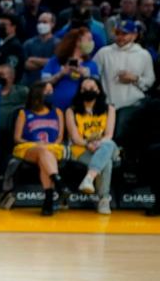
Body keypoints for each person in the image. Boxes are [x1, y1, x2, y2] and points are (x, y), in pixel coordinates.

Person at [12, 81, 71, 216]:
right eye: (48, 92)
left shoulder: (57, 112)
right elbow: (17, 138)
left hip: (52, 147)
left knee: (45, 155)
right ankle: (58, 185)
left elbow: (60, 136)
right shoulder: (24, 113)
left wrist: (48, 145)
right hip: (30, 147)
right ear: (38, 94)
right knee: (43, 152)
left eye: (52, 92)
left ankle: (49, 198)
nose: (51, 94)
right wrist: (36, 144)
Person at [93, 20, 154, 145]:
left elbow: (150, 81)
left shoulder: (143, 54)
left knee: (122, 135)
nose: (120, 37)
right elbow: (93, 76)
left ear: (134, 35)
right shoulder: (104, 52)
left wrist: (135, 78)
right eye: (117, 33)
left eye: (124, 34)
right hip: (108, 104)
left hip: (132, 104)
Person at [66, 77, 116, 215]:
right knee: (107, 162)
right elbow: (75, 138)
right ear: (80, 91)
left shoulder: (109, 109)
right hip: (81, 149)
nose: (89, 90)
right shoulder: (71, 111)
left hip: (103, 145)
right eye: (85, 88)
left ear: (99, 90)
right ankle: (104, 200)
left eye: (92, 87)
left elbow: (109, 134)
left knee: (108, 144)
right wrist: (88, 144)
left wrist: (99, 144)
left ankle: (89, 178)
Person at [22, 11, 57, 86]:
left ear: (53, 24)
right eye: (39, 22)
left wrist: (33, 59)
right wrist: (46, 63)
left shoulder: (58, 44)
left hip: (49, 85)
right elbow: (25, 64)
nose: (41, 25)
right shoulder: (28, 43)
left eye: (44, 22)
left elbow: (56, 64)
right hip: (30, 84)